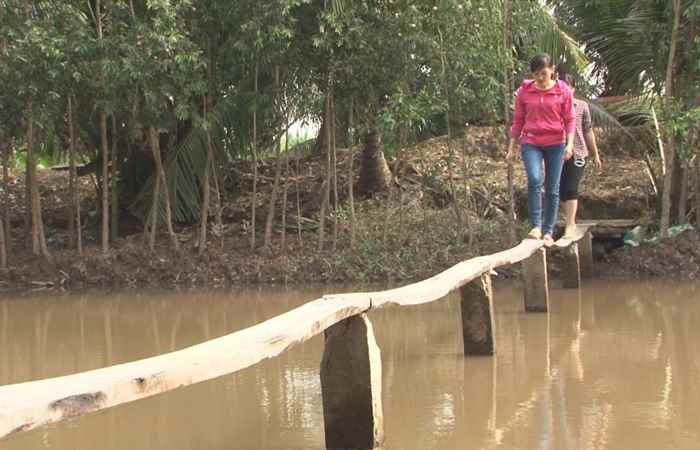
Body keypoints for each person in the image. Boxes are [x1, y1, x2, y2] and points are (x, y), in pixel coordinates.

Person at [506, 53, 575, 247]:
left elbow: (570, 120)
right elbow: (518, 120)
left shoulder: (563, 91)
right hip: (531, 142)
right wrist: (512, 147)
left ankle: (548, 231)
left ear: (552, 70)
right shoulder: (524, 92)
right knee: (535, 180)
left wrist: (569, 144)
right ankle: (536, 226)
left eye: (544, 73)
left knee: (553, 188)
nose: (540, 78)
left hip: (556, 143)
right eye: (536, 74)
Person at [559, 73, 603, 239]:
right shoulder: (554, 106)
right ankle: (569, 219)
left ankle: (570, 224)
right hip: (557, 153)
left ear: (573, 89)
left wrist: (596, 154)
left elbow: (588, 130)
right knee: (560, 190)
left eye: (567, 87)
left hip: (578, 153)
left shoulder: (581, 106)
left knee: (571, 187)